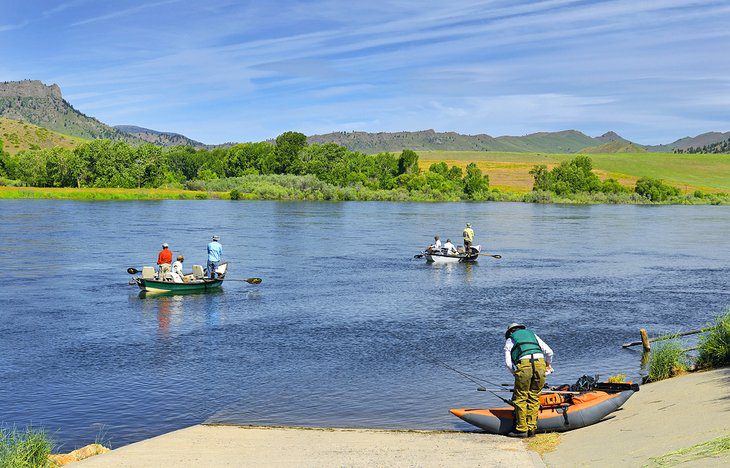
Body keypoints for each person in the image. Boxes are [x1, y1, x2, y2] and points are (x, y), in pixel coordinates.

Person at [503, 323, 554, 438]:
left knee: (520, 398)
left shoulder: (510, 340)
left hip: (524, 366)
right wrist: (548, 365)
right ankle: (532, 429)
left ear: (510, 332)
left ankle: (521, 430)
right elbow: (550, 352)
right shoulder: (533, 335)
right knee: (534, 396)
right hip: (540, 364)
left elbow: (507, 363)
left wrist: (515, 374)